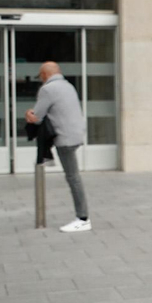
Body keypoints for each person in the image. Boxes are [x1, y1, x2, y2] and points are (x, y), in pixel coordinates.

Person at [26, 61, 91, 232]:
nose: (41, 80)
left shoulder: (47, 89)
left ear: (44, 75)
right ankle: (82, 217)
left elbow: (36, 117)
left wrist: (28, 114)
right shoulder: (68, 86)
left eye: (40, 76)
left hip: (65, 138)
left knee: (73, 177)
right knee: (73, 176)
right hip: (76, 134)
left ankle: (83, 218)